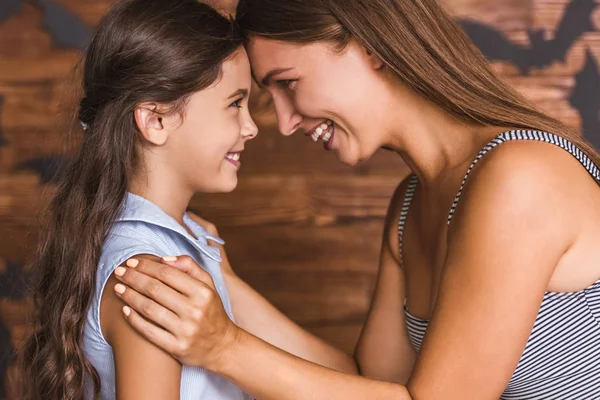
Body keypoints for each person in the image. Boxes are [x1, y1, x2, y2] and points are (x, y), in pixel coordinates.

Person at [112, 0, 600, 399]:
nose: (283, 123)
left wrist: (225, 349)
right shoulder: (410, 205)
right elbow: (371, 384)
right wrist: (220, 275)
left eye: (288, 83)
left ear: (371, 48)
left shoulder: (520, 178)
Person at [18, 1, 356, 399]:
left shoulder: (187, 244)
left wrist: (221, 274)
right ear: (155, 120)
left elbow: (343, 377)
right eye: (234, 103)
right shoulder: (152, 281)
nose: (251, 128)